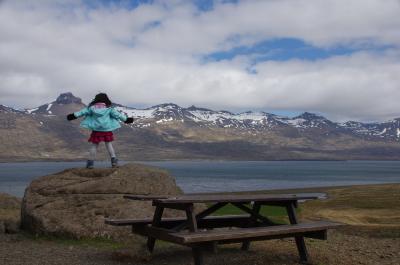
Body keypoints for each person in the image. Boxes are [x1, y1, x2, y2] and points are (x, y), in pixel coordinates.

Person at [67, 93, 133, 168]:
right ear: (106, 100)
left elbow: (82, 112)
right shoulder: (109, 109)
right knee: (109, 145)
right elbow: (118, 115)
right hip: (106, 130)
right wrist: (126, 120)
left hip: (96, 130)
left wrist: (72, 116)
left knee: (94, 145)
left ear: (96, 100)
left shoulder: (91, 108)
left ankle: (90, 164)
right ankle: (114, 162)